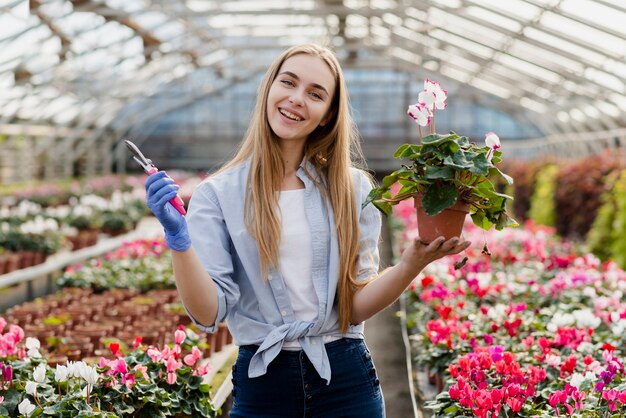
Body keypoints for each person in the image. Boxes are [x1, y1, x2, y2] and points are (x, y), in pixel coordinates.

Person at [144, 43, 470, 417]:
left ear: (328, 115)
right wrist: (179, 241)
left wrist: (411, 265)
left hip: (346, 383)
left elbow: (354, 309)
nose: (297, 99)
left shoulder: (353, 190)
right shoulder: (218, 195)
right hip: (262, 385)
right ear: (269, 88)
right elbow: (208, 313)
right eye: (289, 83)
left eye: (315, 94)